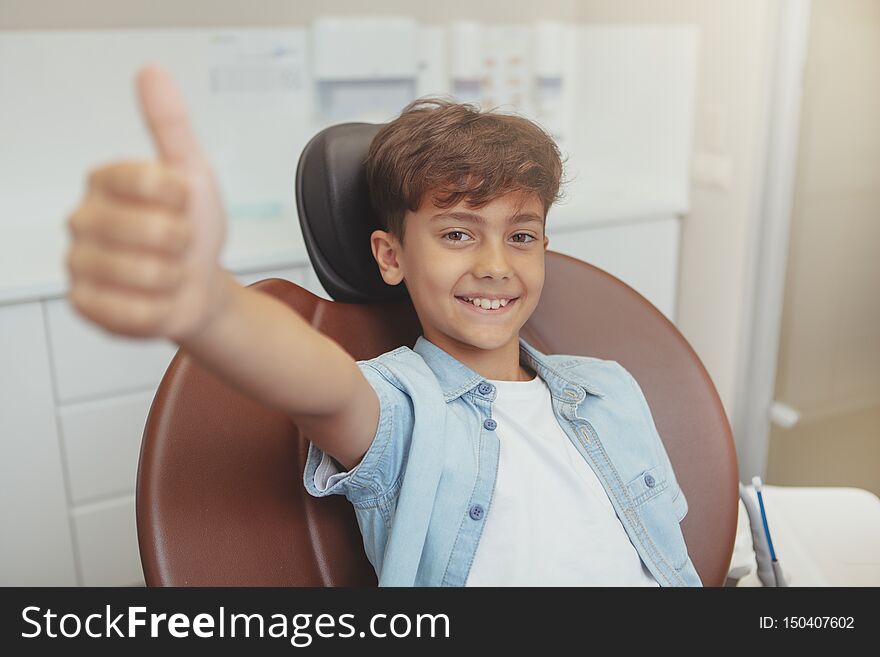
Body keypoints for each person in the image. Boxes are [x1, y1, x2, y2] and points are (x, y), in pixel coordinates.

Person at [66, 64, 702, 587]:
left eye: (521, 236)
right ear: (390, 256)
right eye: (458, 233)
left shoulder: (607, 392)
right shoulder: (402, 408)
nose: (495, 265)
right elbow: (317, 383)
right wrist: (208, 306)